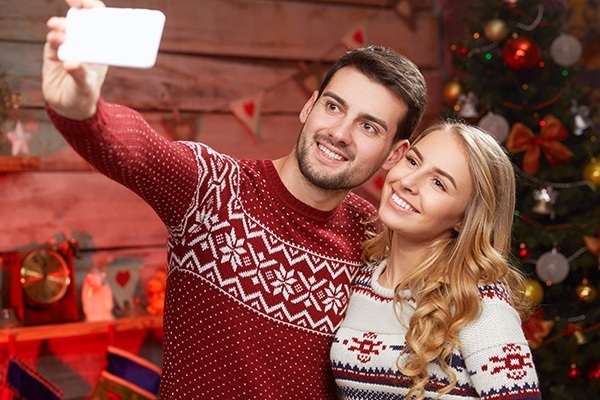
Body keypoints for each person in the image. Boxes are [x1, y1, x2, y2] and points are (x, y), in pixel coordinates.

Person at [42, 1, 428, 398]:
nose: (340, 133)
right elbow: (135, 150)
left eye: (368, 126)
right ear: (309, 106)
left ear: (395, 154)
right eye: (333, 107)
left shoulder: (378, 239)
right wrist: (80, 108)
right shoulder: (214, 188)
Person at [330, 122, 541, 399]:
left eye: (438, 183)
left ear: (463, 219)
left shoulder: (476, 301)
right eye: (413, 161)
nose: (407, 182)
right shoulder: (360, 278)